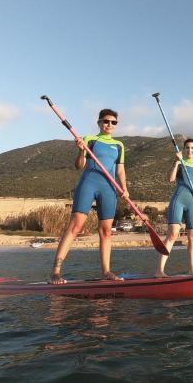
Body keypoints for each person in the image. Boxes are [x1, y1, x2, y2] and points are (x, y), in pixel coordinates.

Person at [50, 109, 129, 284]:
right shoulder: (89, 140)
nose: (109, 125)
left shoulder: (119, 145)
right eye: (106, 121)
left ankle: (106, 272)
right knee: (75, 227)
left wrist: (125, 188)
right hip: (89, 183)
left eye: (113, 122)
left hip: (109, 187)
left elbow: (120, 170)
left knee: (106, 231)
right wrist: (80, 151)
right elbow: (79, 166)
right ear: (99, 123)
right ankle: (55, 272)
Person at [155, 138, 193, 277]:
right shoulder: (180, 163)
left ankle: (192, 269)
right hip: (178, 201)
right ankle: (159, 271)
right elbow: (170, 179)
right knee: (172, 235)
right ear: (184, 149)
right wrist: (176, 161)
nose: (190, 150)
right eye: (187, 147)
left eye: (192, 148)